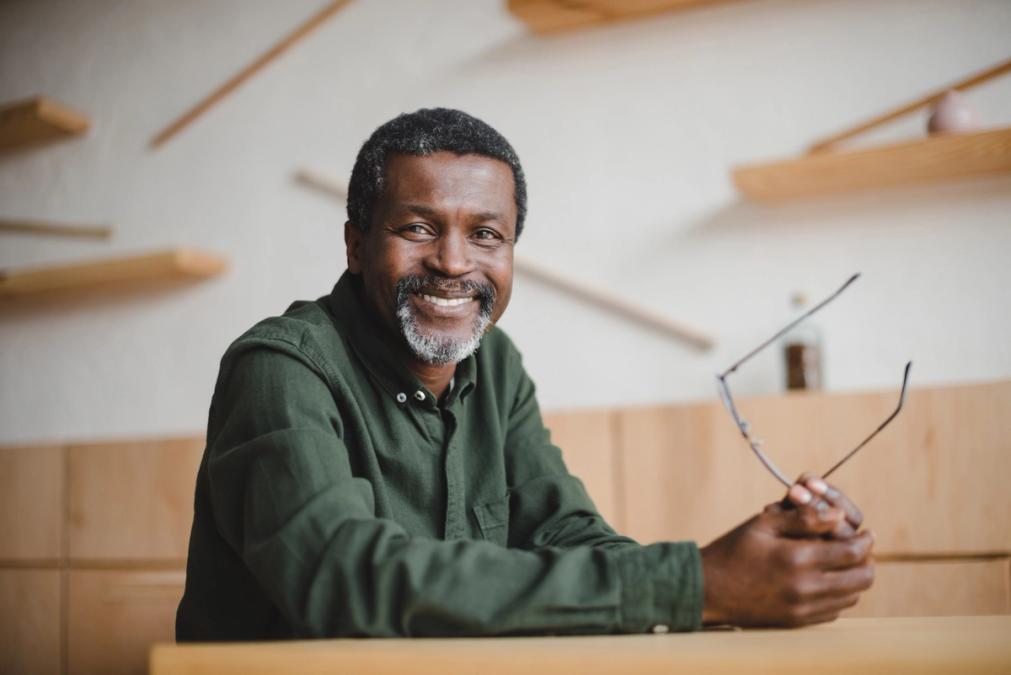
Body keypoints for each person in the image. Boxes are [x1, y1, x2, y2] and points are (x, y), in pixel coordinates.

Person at [176, 108, 874, 641]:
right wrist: (694, 585)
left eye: (486, 234)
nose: (454, 262)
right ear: (356, 244)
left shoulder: (494, 363)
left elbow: (569, 535)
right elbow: (345, 579)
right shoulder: (279, 367)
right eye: (418, 228)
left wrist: (753, 559)